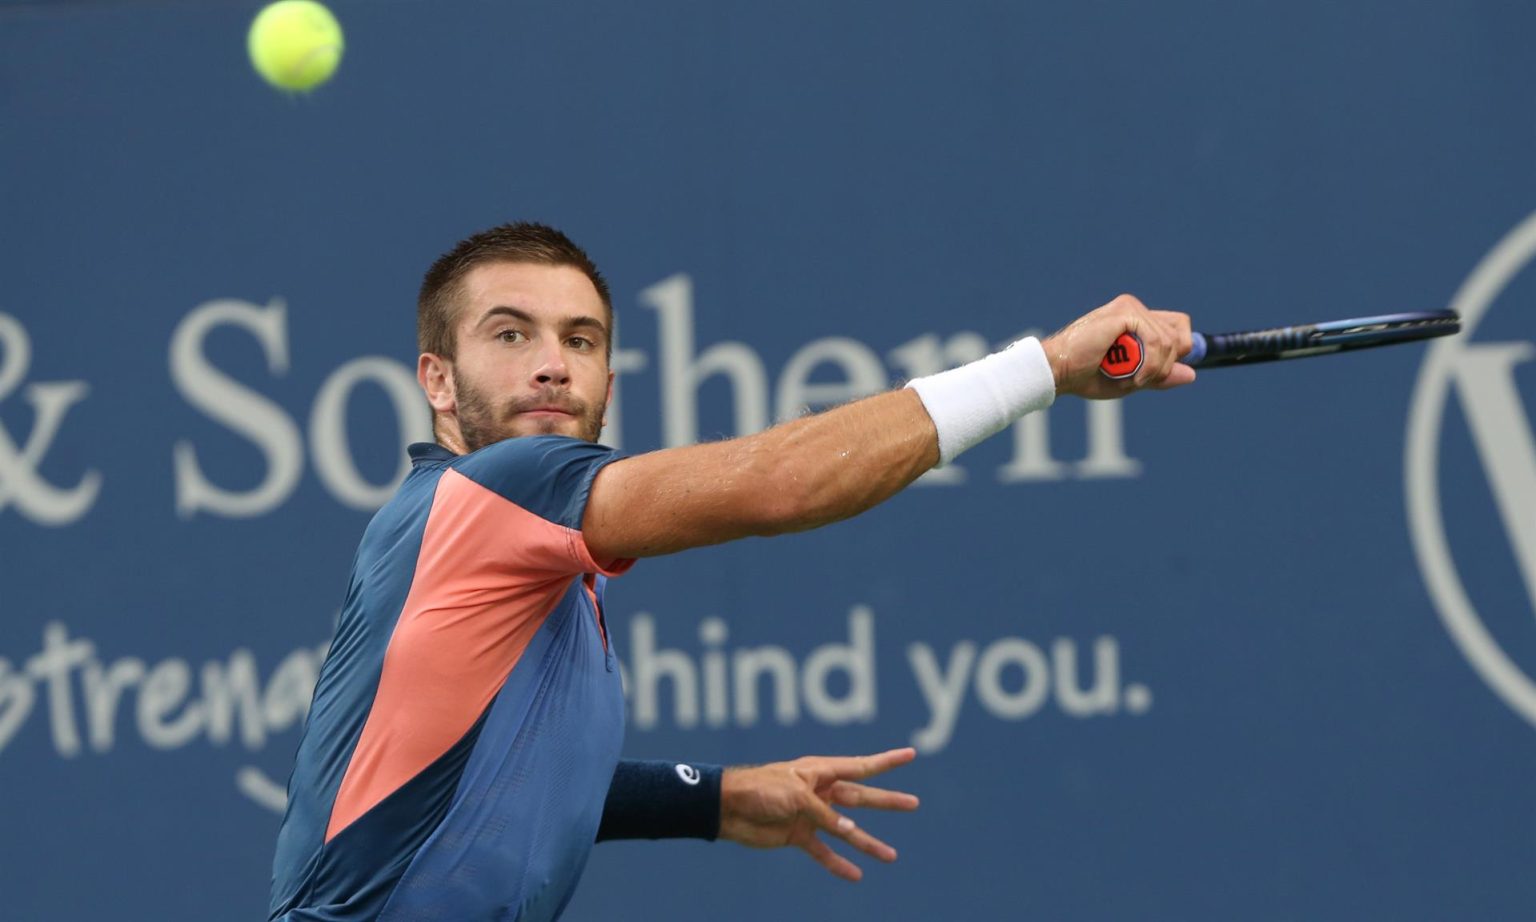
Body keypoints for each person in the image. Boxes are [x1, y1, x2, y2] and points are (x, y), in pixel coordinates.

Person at [269, 223, 1194, 921]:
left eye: (581, 341)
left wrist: (711, 798)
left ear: (609, 381)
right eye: (510, 336)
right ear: (437, 380)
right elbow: (784, 483)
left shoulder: (511, 551)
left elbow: (481, 788)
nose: (552, 366)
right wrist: (1048, 369)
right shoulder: (498, 492)